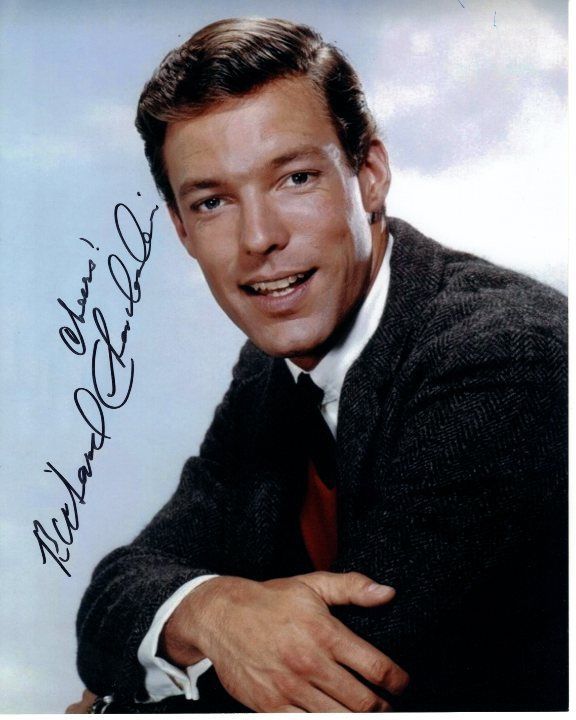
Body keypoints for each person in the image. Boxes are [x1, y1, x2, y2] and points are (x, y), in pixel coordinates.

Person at [70, 17, 567, 713]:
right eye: (212, 202)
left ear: (370, 176)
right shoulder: (267, 372)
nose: (259, 238)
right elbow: (115, 593)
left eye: (295, 178)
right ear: (182, 231)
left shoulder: (504, 351)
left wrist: (121, 705)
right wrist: (213, 609)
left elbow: (347, 671)